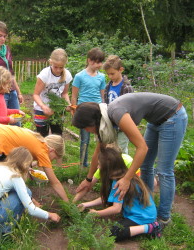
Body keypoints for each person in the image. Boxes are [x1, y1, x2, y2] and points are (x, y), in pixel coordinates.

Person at [72, 92, 188, 225]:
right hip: (155, 121)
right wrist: (88, 179)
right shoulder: (104, 121)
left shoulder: (116, 113)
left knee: (164, 171)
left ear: (93, 122)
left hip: (173, 116)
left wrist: (126, 178)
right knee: (145, 166)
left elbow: (142, 148)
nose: (86, 131)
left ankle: (163, 218)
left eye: (86, 127)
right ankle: (146, 202)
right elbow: (96, 154)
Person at [0, 147, 60, 242]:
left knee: (27, 192)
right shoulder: (15, 176)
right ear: (25, 164)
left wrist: (32, 198)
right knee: (20, 199)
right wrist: (49, 215)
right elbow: (31, 209)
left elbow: (25, 191)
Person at [78, 147, 162, 242]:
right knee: (113, 231)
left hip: (143, 217)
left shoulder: (118, 182)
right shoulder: (123, 175)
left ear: (107, 167)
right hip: (145, 213)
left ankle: (151, 227)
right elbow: (109, 198)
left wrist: (96, 213)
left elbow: (116, 208)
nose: (97, 167)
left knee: (114, 233)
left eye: (99, 164)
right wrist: (86, 204)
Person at [0, 124, 69, 201]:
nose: (51, 161)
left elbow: (19, 157)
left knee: (6, 170)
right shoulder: (43, 152)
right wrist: (68, 203)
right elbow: (55, 183)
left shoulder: (39, 140)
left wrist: (30, 165)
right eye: (54, 158)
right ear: (52, 150)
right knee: (6, 177)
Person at [71, 48, 106, 167]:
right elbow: (74, 95)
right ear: (89, 61)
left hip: (98, 110)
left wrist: (104, 108)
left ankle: (101, 163)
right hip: (83, 111)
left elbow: (102, 95)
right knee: (85, 140)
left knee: (101, 138)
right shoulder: (79, 76)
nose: (99, 65)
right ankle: (83, 163)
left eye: (100, 62)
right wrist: (74, 109)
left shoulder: (102, 77)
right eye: (97, 62)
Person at [33, 48, 72, 137]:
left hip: (57, 109)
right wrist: (43, 107)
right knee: (42, 136)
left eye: (61, 67)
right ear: (51, 62)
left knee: (57, 135)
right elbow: (36, 94)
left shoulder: (68, 75)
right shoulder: (44, 74)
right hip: (41, 109)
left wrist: (68, 104)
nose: (58, 70)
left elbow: (64, 93)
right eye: (55, 67)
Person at [103, 55, 134, 154]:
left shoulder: (126, 87)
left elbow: (129, 108)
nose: (110, 76)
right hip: (111, 125)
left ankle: (125, 168)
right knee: (110, 150)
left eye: (112, 73)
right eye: (108, 74)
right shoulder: (108, 86)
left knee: (121, 151)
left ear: (121, 69)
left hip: (123, 126)